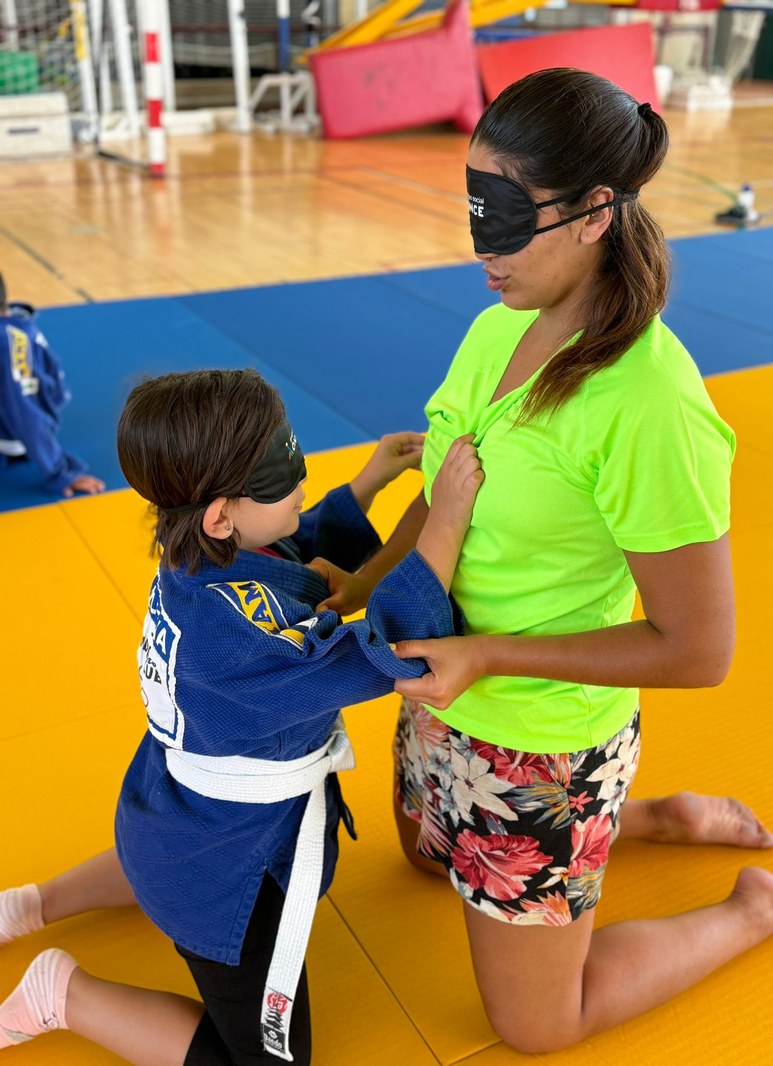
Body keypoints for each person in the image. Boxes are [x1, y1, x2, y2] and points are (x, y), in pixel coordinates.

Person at [316, 68, 773, 1054]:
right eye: (471, 206)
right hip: (433, 696)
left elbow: (696, 649)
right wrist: (364, 587)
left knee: (538, 1026)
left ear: (590, 213)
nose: (479, 243)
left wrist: (489, 655)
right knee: (418, 857)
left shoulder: (646, 403)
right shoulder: (495, 323)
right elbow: (442, 487)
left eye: (503, 214)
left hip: (535, 740)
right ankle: (639, 817)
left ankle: (750, 907)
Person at [0, 367, 483, 1065]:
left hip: (168, 817)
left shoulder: (200, 548)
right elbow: (383, 648)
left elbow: (287, 548)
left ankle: (34, 902)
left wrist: (367, 484)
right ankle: (63, 994)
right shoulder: (235, 643)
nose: (302, 483)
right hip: (223, 867)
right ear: (221, 513)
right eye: (282, 478)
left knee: (161, 860)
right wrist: (444, 522)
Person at [0, 274, 105, 497]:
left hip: (13, 435)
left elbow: (28, 413)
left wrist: (59, 472)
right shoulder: (13, 324)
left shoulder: (10, 346)